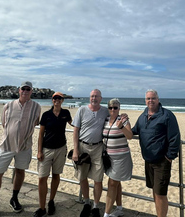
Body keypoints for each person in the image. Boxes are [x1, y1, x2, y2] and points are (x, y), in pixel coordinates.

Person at [0, 81, 41, 217]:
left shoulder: (37, 107)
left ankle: (14, 198)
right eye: (23, 89)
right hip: (6, 145)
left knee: (20, 171)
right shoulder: (8, 106)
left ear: (31, 91)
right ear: (19, 91)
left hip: (25, 147)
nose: (25, 91)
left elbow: (36, 122)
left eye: (28, 89)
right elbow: (4, 123)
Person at [131, 89, 181, 217]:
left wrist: (169, 157)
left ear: (158, 99)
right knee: (154, 191)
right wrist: (121, 125)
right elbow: (134, 131)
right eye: (148, 98)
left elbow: (175, 138)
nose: (150, 101)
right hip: (148, 161)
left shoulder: (167, 115)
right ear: (145, 100)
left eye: (153, 98)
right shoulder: (143, 116)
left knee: (160, 194)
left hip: (162, 162)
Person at [34, 92, 73, 217]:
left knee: (56, 175)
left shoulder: (66, 113)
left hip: (61, 148)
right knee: (42, 178)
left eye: (59, 98)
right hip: (46, 149)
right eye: (55, 98)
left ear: (62, 100)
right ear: (52, 100)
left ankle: (51, 201)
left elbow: (75, 124)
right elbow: (41, 134)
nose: (57, 100)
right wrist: (39, 151)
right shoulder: (46, 115)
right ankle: (41, 207)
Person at [72, 89, 109, 217]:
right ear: (90, 97)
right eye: (92, 96)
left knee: (98, 179)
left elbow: (115, 116)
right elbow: (75, 131)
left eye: (96, 96)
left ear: (101, 98)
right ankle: (87, 203)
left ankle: (95, 206)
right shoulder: (82, 110)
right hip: (83, 148)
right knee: (82, 177)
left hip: (98, 148)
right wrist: (75, 150)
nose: (94, 98)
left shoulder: (105, 111)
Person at [103, 99, 133, 217]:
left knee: (112, 183)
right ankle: (119, 208)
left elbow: (130, 136)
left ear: (119, 108)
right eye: (110, 108)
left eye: (115, 107)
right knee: (116, 182)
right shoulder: (105, 119)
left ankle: (106, 214)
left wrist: (121, 127)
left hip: (121, 157)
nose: (113, 110)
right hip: (109, 157)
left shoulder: (123, 119)